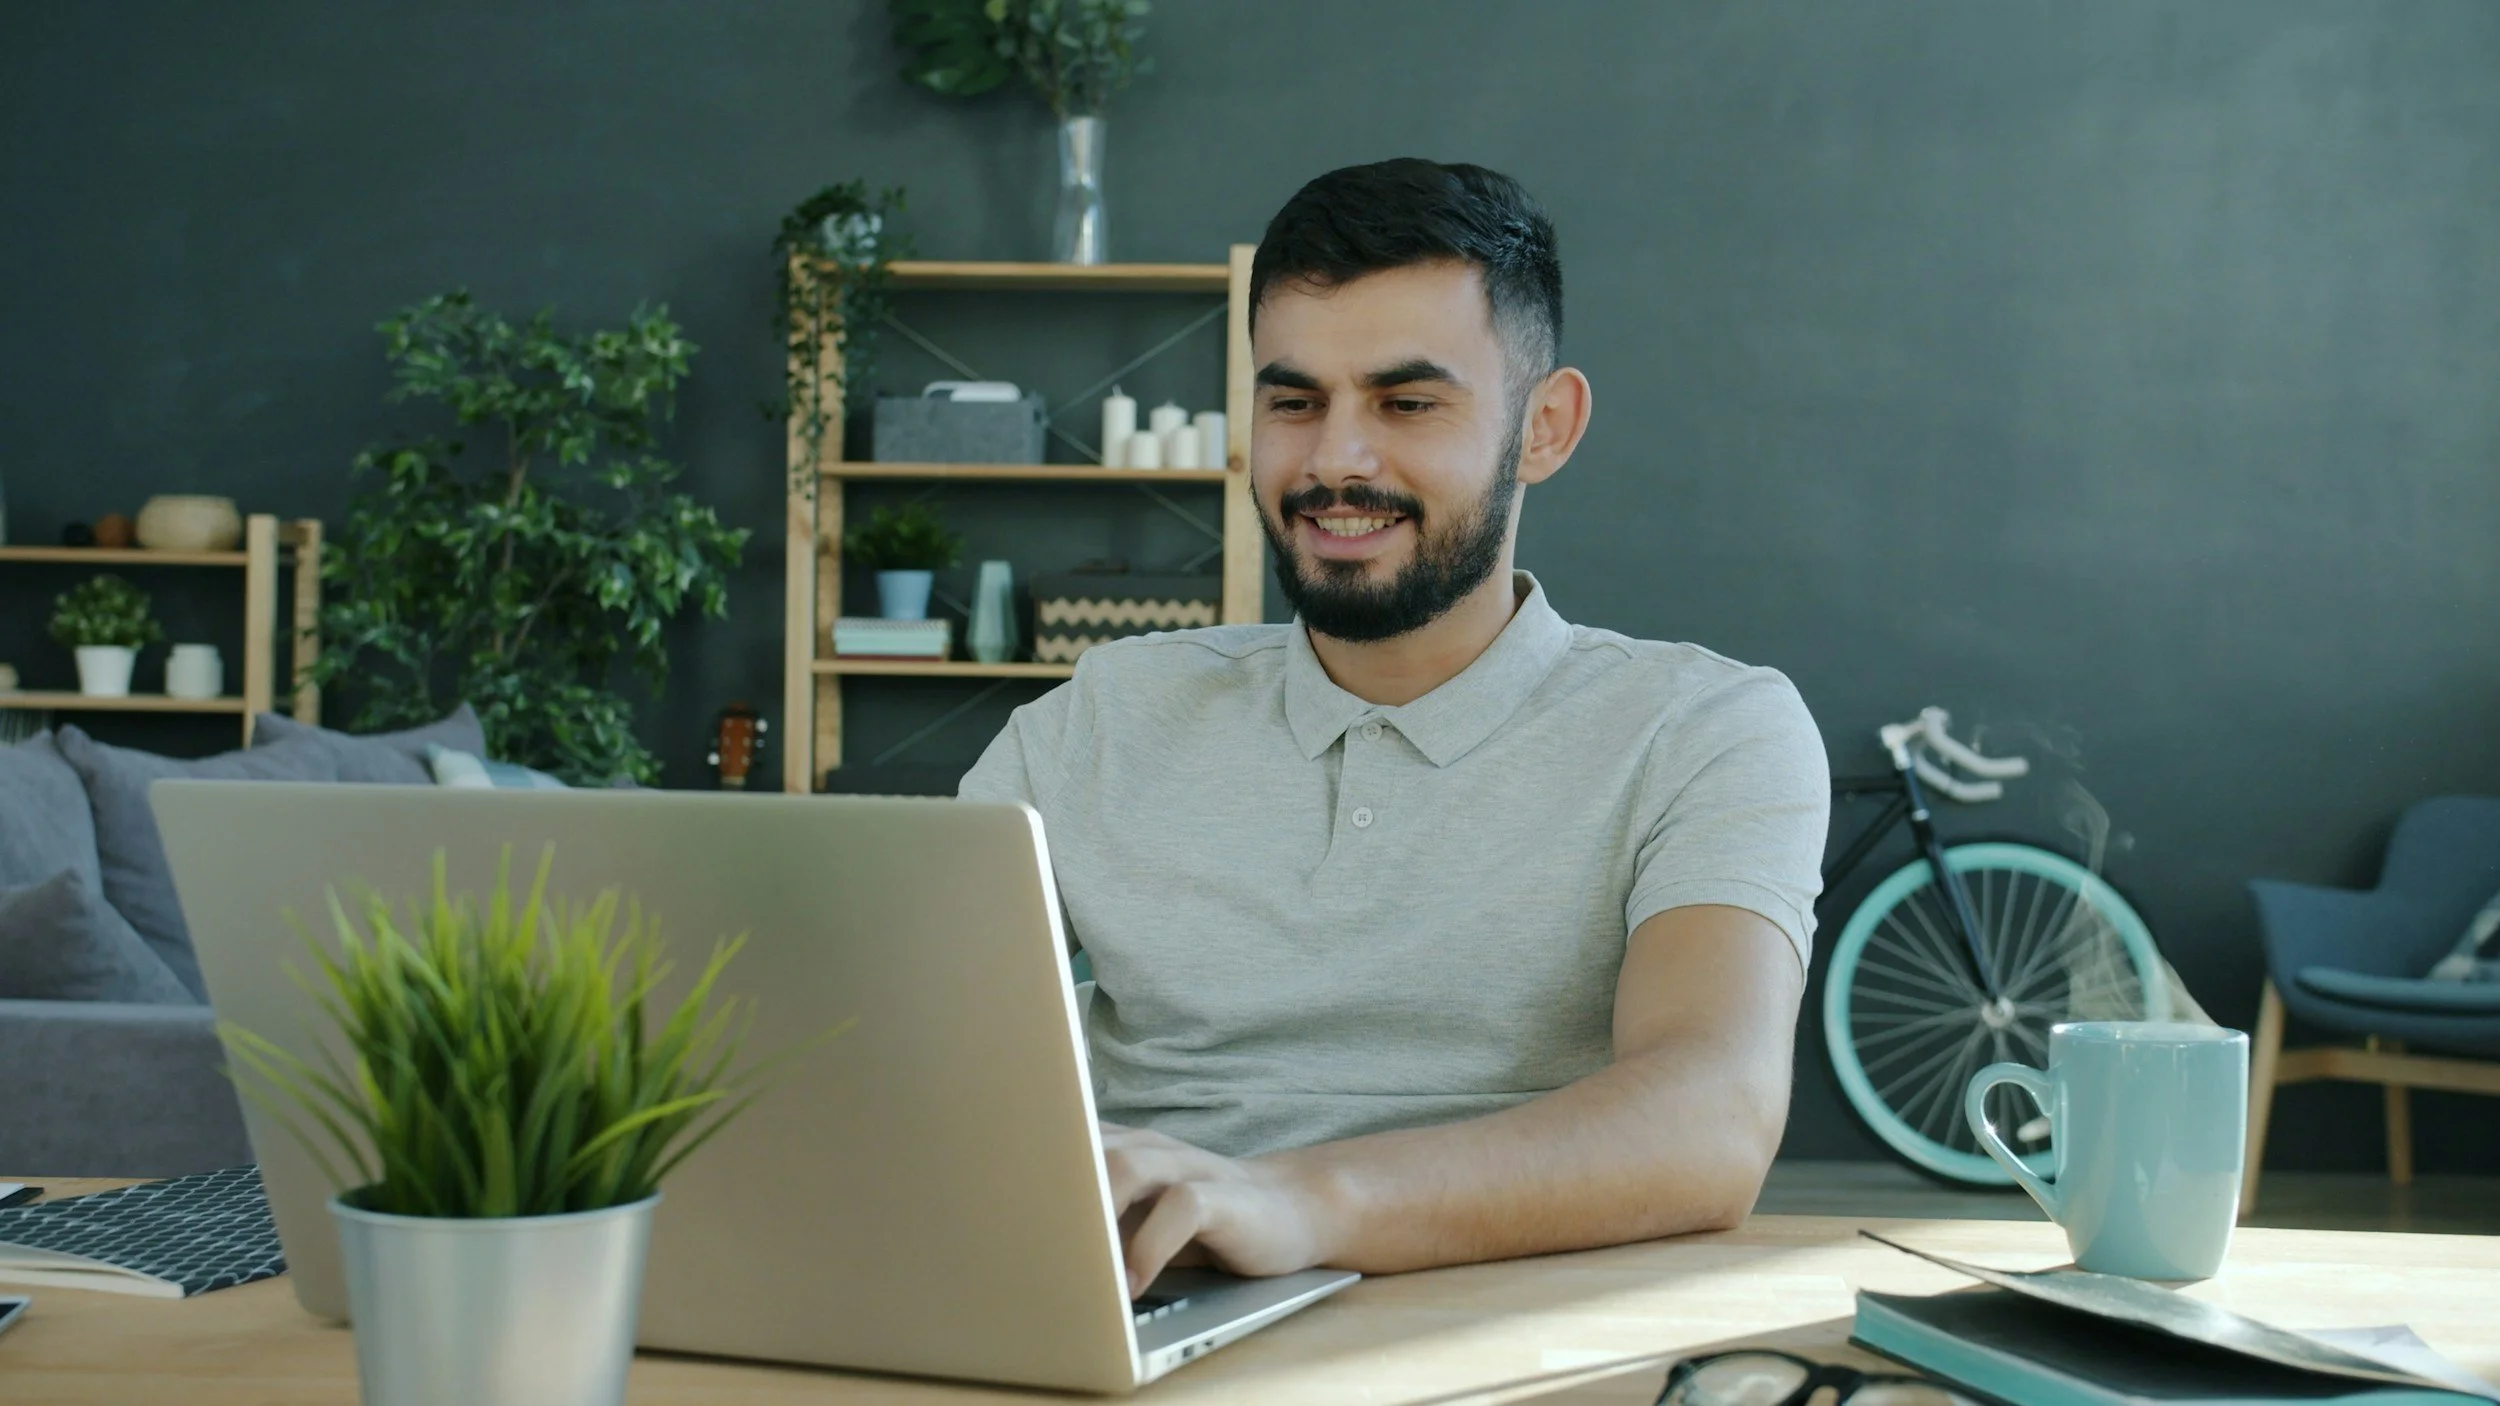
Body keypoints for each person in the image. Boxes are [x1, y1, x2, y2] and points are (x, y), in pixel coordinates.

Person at [959, 158, 1828, 1295]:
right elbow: (881, 1038)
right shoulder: (1099, 717)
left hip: (1508, 1328)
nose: (1333, 461)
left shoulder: (1707, 729)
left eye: (1407, 402)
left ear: (1545, 427)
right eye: (1293, 399)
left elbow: (1710, 1117)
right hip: (1143, 1315)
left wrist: (1295, 1199)